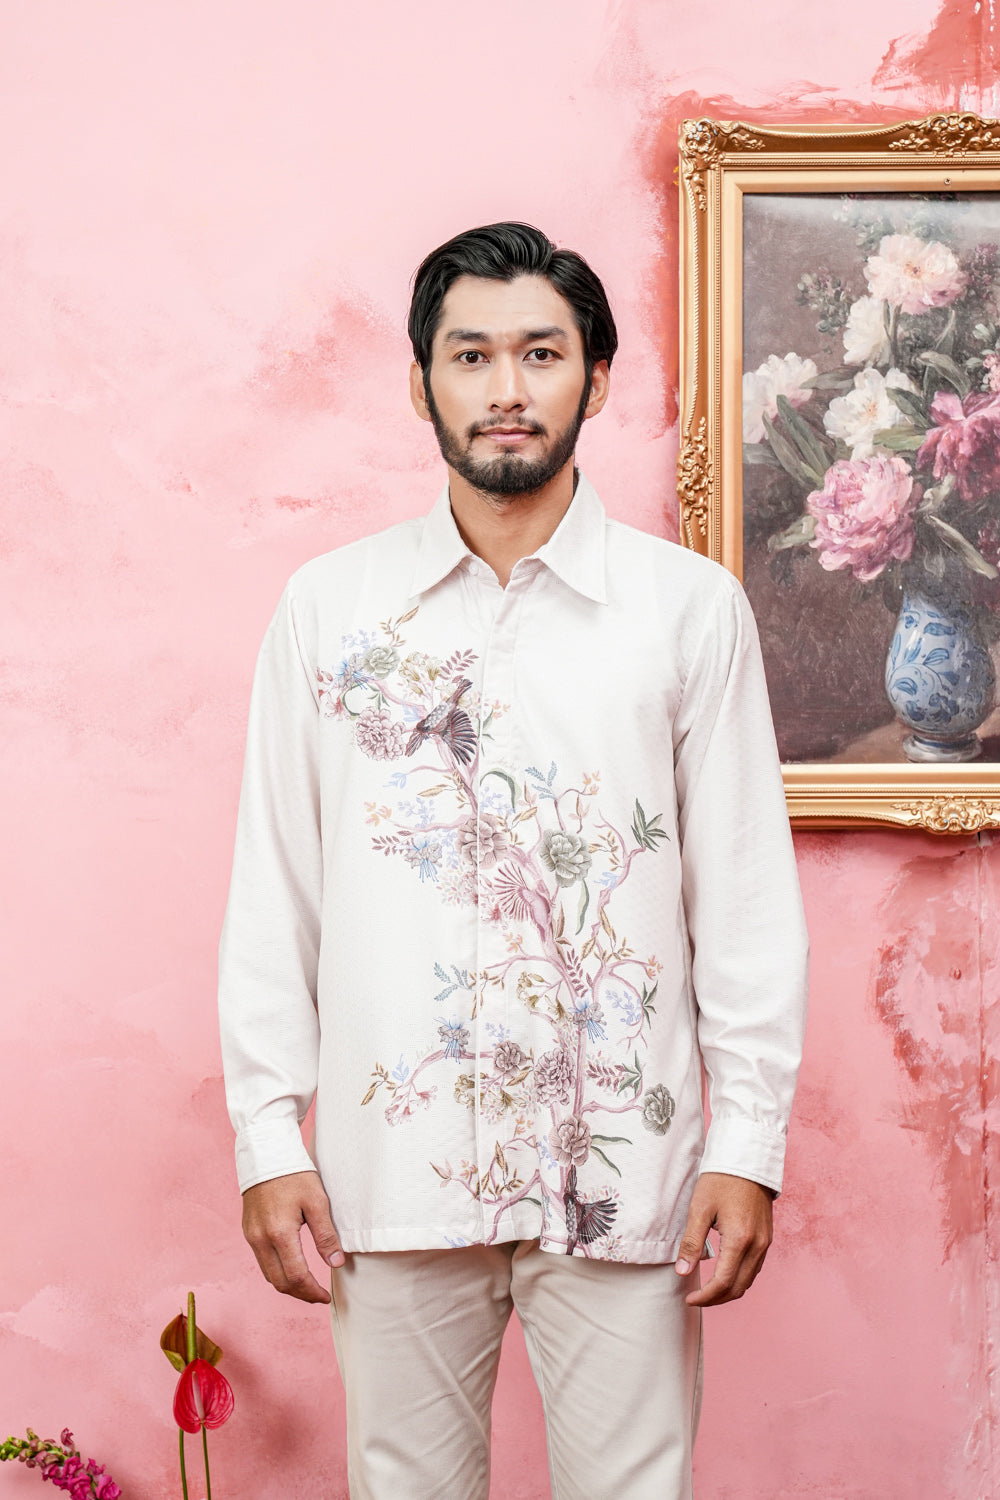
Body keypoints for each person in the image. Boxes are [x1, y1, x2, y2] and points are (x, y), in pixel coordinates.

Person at [218, 221, 809, 1500]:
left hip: (623, 1164)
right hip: (396, 1166)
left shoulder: (686, 610)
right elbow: (278, 889)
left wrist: (746, 1144)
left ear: (595, 380)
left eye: (541, 353)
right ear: (419, 381)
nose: (505, 388)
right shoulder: (329, 609)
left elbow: (744, 898)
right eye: (470, 354)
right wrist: (268, 1136)